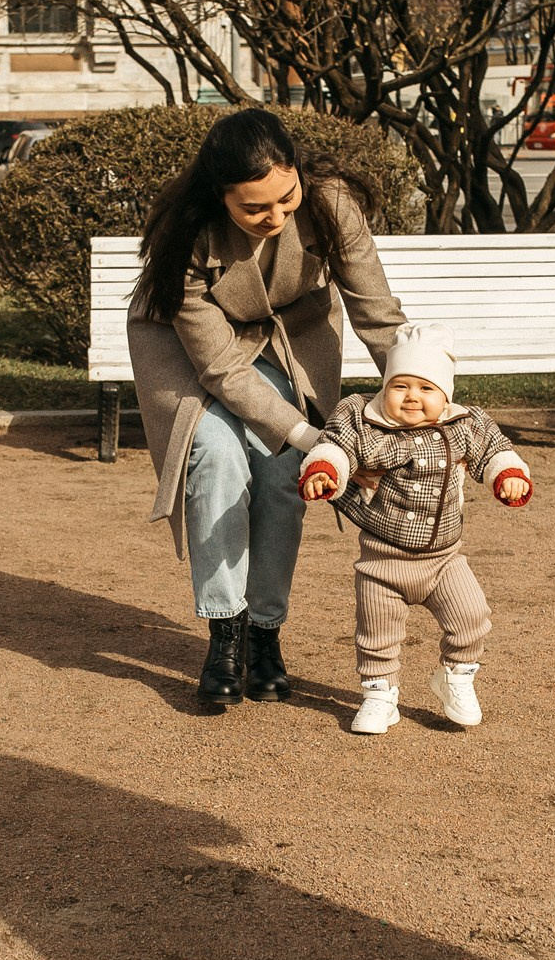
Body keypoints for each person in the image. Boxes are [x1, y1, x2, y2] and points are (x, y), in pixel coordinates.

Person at [128, 110, 406, 708]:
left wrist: (423, 393)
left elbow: (377, 315)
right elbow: (222, 368)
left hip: (288, 336)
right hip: (188, 352)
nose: (276, 217)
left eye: (286, 198)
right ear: (219, 196)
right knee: (217, 455)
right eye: (255, 208)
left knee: (284, 471)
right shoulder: (189, 235)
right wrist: (312, 436)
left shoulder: (331, 205)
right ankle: (225, 632)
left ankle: (264, 635)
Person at [296, 324, 533, 734]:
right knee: (377, 632)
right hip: (382, 560)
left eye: (426, 388)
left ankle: (455, 676)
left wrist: (507, 474)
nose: (411, 397)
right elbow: (334, 446)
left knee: (472, 617)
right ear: (384, 387)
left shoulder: (464, 426)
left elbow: (495, 450)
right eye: (400, 385)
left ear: (445, 396)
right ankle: (379, 695)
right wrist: (324, 469)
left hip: (444, 560)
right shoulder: (362, 421)